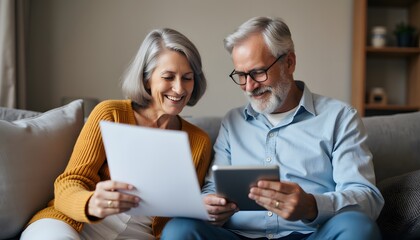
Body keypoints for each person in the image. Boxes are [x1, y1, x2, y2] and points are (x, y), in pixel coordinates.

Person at [161, 17, 385, 240]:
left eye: (258, 72)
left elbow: (367, 198)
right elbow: (213, 188)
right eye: (241, 75)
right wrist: (211, 206)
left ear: (289, 62)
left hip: (311, 235)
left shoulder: (340, 118)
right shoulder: (233, 122)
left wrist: (311, 205)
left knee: (358, 227)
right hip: (239, 236)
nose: (249, 86)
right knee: (179, 229)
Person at [21, 28, 211, 240]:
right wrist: (91, 202)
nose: (179, 89)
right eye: (168, 77)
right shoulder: (110, 113)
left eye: (187, 78)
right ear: (147, 79)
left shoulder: (199, 142)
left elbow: (186, 213)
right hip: (76, 223)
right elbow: (69, 182)